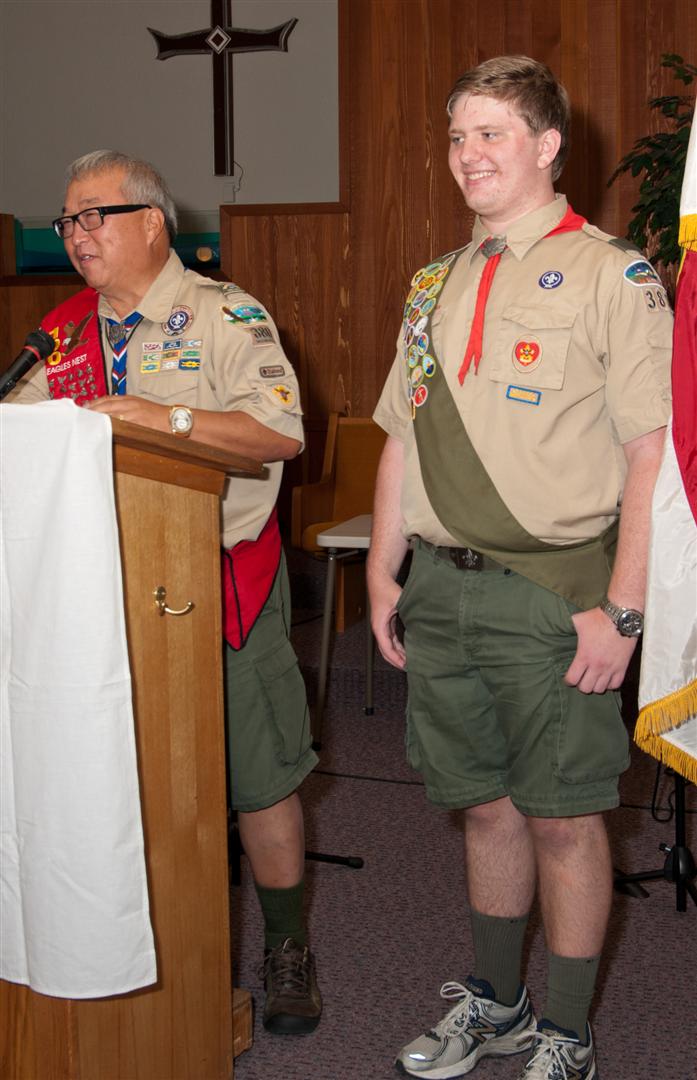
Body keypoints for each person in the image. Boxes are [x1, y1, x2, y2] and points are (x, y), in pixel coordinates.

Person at [367, 56, 672, 1079]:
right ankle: (496, 1003)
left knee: (565, 820)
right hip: (441, 589)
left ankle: (568, 1032)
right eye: (457, 136)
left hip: (557, 595)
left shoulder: (611, 275)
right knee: (485, 806)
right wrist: (382, 570)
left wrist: (622, 611)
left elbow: (651, 456)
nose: (468, 154)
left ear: (546, 145)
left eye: (490, 132)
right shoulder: (431, 284)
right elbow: (401, 435)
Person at [9, 150, 322, 1036]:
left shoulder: (224, 315)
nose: (75, 235)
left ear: (151, 221)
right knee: (124, 775)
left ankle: (287, 946)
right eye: (67, 221)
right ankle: (153, 944)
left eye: (93, 216)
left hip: (217, 579)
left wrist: (164, 417)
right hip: (93, 593)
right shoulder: (63, 332)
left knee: (258, 777)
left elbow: (280, 432)